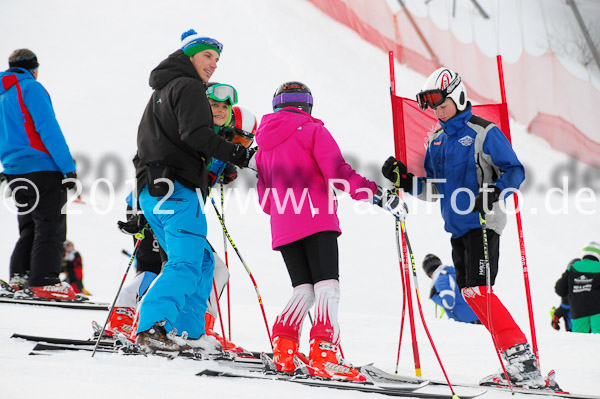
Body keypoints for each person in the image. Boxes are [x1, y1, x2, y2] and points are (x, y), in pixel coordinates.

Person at [382, 67, 555, 389]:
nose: (436, 111)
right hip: (457, 227)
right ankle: (516, 361)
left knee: (479, 290)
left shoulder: (483, 132)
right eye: (431, 106)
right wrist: (404, 180)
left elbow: (515, 171)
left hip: (483, 222)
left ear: (458, 96)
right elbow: (434, 189)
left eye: (441, 103)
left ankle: (524, 364)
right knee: (470, 295)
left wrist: (493, 191)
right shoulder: (435, 141)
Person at [255, 81, 407, 381]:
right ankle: (324, 352)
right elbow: (338, 172)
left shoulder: (263, 143)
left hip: (283, 223)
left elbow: (263, 195)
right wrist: (376, 195)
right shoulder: (313, 130)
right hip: (315, 217)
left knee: (304, 289)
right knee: (327, 286)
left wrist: (283, 212)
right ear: (307, 105)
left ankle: (284, 347)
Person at [132, 29, 255, 355]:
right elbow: (198, 135)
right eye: (207, 56)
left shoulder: (161, 91)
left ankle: (188, 330)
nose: (213, 64)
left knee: (201, 261)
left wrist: (140, 192)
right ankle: (152, 327)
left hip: (155, 189)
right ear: (189, 55)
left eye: (217, 59)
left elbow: (142, 148)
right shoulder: (188, 87)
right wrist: (240, 155)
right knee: (187, 261)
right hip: (176, 190)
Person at [0, 49, 78, 301]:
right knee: (50, 225)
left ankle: (20, 277)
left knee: (29, 228)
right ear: (34, 68)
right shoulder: (31, 88)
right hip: (42, 168)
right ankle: (45, 281)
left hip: (14, 171)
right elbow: (48, 128)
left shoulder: (3, 94)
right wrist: (68, 168)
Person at [555, 242, 600, 333]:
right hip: (598, 310)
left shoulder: (573, 268)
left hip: (578, 311)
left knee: (580, 340)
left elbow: (560, 289)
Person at [422, 254, 480, 324]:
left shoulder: (441, 279)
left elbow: (448, 303)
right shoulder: (455, 273)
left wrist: (434, 296)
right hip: (479, 315)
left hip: (468, 321)